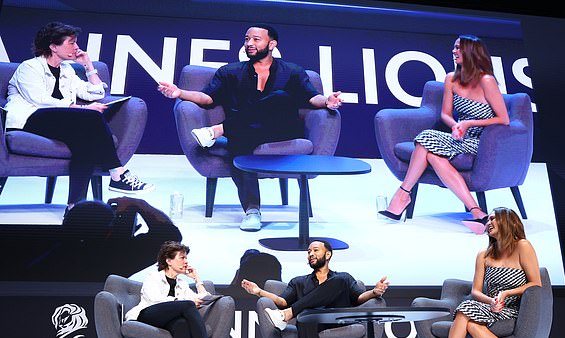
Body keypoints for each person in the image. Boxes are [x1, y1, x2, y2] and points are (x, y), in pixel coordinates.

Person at [158, 23, 343, 232]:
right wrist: (179, 93)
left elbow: (312, 98)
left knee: (280, 98)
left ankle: (220, 130)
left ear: (272, 44)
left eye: (256, 39)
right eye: (247, 39)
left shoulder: (292, 71)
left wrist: (327, 100)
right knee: (239, 140)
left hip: (281, 131)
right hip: (245, 132)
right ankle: (252, 211)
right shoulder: (230, 72)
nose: (249, 44)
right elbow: (207, 98)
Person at [4, 22, 153, 211]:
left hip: (57, 121)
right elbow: (39, 99)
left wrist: (88, 65)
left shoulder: (67, 70)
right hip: (29, 119)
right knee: (90, 118)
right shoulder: (30, 67)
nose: (76, 48)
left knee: (86, 141)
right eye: (71, 43)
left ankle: (75, 207)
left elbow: (96, 93)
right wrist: (80, 108)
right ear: (53, 46)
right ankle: (117, 172)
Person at [379, 35, 509, 234]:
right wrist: (456, 125)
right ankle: (479, 214)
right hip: (461, 136)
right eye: (454, 47)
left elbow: (503, 119)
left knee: (425, 139)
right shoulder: (451, 79)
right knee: (429, 151)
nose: (454, 51)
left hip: (483, 140)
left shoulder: (486, 80)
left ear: (471, 52)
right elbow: (445, 114)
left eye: (459, 48)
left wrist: (468, 123)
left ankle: (403, 195)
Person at [424, 207, 551, 338]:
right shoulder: (483, 255)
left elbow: (535, 283)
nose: (488, 222)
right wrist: (491, 301)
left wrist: (506, 294)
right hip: (489, 307)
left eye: (494, 218)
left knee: (468, 316)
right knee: (470, 316)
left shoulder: (523, 246)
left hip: (512, 309)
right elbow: (475, 291)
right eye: (488, 219)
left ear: (508, 221)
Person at [241, 240, 389, 338]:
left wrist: (374, 292)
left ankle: (287, 315)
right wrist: (259, 291)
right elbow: (282, 302)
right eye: (308, 251)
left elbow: (359, 298)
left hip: (337, 318)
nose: (311, 254)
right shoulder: (298, 281)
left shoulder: (343, 278)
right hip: (311, 322)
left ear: (328, 254)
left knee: (335, 283)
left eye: (315, 250)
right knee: (305, 319)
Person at [124, 241, 239, 338]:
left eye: (186, 258)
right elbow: (155, 300)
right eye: (182, 258)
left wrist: (196, 278)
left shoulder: (182, 283)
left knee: (182, 326)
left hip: (168, 319)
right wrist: (184, 302)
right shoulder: (153, 277)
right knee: (187, 305)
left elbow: (202, 298)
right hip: (148, 314)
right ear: (168, 260)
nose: (186, 261)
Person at [18, 197, 182, 282]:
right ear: (108, 232)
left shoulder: (46, 252)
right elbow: (170, 237)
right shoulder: (117, 258)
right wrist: (139, 204)